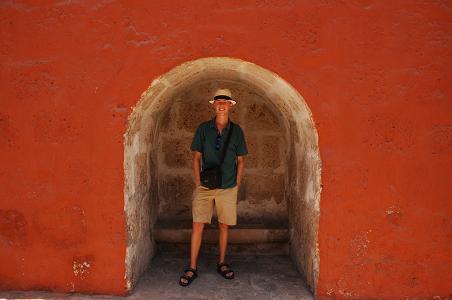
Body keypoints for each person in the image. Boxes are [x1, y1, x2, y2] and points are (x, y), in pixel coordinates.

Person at [179, 88, 248, 286]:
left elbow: (241, 160)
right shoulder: (203, 129)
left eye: (225, 102)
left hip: (227, 186)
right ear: (214, 105)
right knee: (198, 225)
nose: (222, 104)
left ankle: (222, 262)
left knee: (224, 225)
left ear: (230, 106)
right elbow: (196, 157)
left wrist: (237, 182)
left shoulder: (236, 131)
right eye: (218, 101)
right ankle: (192, 267)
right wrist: (198, 182)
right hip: (205, 186)